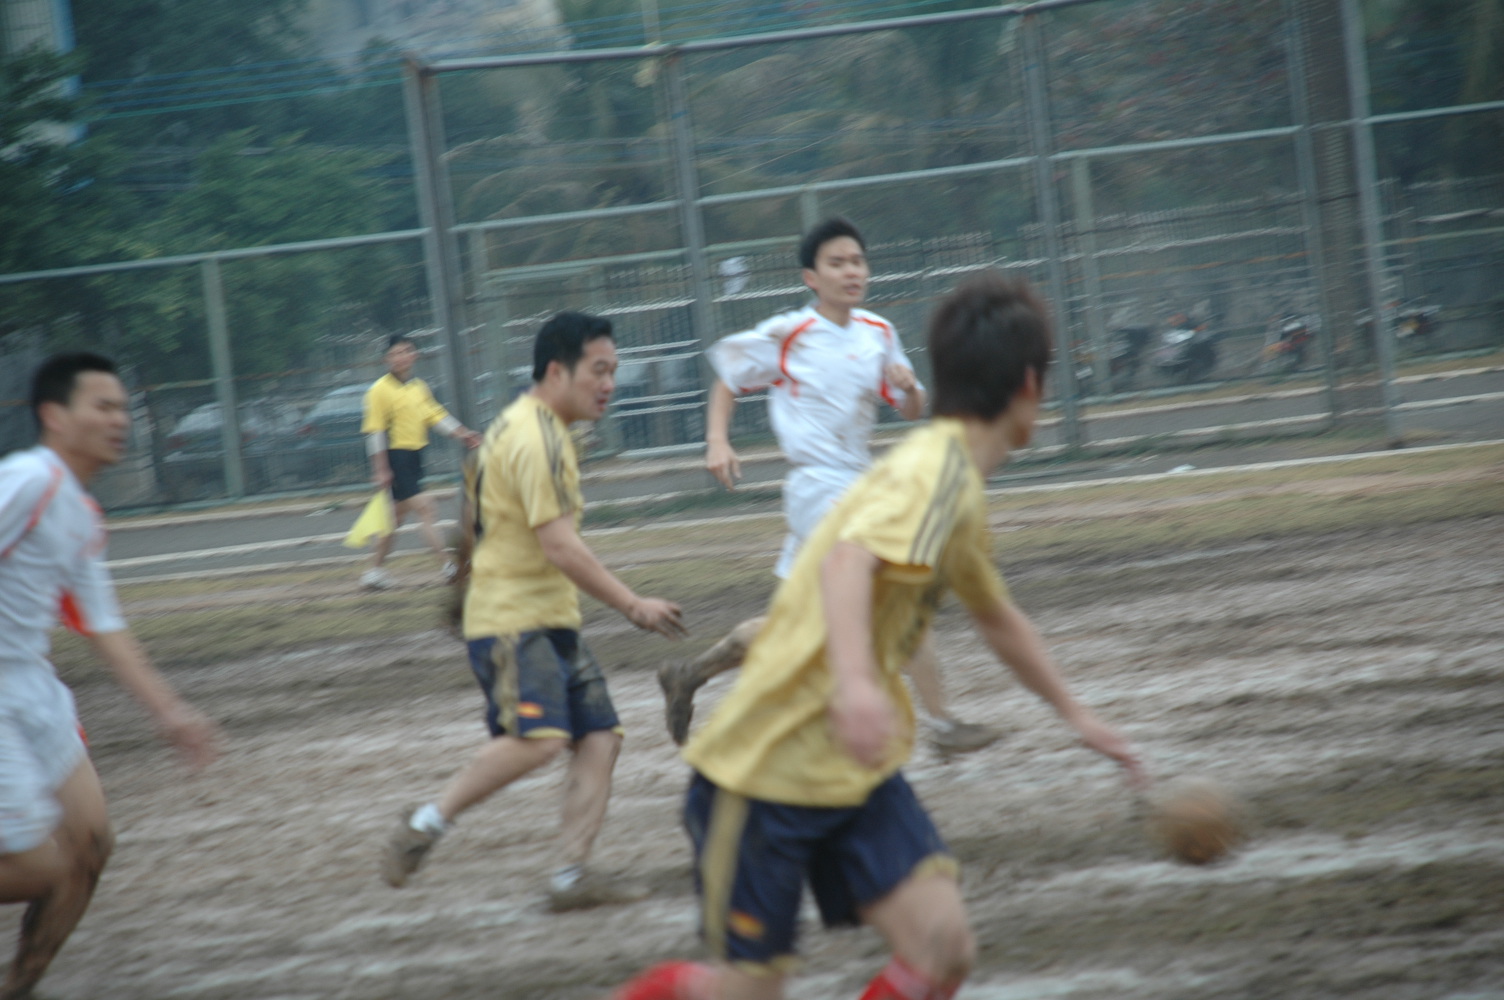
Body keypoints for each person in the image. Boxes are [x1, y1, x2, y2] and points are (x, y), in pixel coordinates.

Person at [610, 272, 1145, 1000]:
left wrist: (1079, 717)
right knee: (744, 992)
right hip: (762, 768)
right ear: (1029, 384)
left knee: (942, 949)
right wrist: (859, 685)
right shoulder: (935, 475)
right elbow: (847, 560)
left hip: (853, 769)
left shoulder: (955, 482)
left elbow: (997, 616)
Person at [656, 217, 1002, 758]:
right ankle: (940, 725)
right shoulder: (790, 332)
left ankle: (689, 674)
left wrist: (911, 390)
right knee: (901, 589)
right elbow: (728, 382)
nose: (851, 271)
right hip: (817, 485)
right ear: (811, 278)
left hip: (856, 481)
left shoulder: (878, 332)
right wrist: (717, 441)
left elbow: (911, 409)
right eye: (836, 263)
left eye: (857, 261)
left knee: (798, 629)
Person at [380, 311, 688, 910]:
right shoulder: (537, 437)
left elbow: (472, 516)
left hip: (547, 616)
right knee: (542, 740)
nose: (609, 384)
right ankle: (424, 823)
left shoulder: (518, 425)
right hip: (515, 621)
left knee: (599, 736)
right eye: (598, 370)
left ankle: (571, 877)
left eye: (613, 371)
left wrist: (458, 591)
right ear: (556, 371)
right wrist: (633, 605)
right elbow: (560, 546)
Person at [0, 353, 221, 999]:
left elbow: (104, 627)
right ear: (54, 415)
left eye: (123, 407)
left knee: (90, 848)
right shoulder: (29, 480)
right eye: (102, 406)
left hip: (31, 684)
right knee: (38, 867)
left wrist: (171, 712)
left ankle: (18, 986)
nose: (119, 419)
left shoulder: (79, 510)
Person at [360, 333, 481, 590]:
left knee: (394, 518)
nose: (402, 357)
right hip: (396, 458)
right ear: (386, 360)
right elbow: (375, 432)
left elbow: (436, 416)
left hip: (414, 457)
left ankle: (373, 572)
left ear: (414, 355)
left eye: (407, 351)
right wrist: (381, 469)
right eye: (396, 353)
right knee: (427, 508)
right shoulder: (379, 390)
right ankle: (449, 566)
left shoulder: (418, 387)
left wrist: (463, 434)